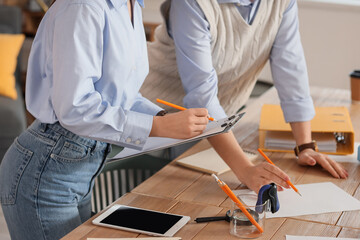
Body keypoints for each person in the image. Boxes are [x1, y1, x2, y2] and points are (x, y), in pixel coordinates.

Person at [0, 0, 210, 239]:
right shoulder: (83, 6)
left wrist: (162, 117)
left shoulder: (132, 6)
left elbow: (120, 94)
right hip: (45, 174)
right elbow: (75, 107)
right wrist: (157, 126)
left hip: (79, 170)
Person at [140, 0, 348, 192]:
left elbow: (291, 73)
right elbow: (202, 98)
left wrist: (305, 146)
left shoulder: (281, 3)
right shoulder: (193, 4)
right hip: (153, 119)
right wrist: (246, 169)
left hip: (213, 127)